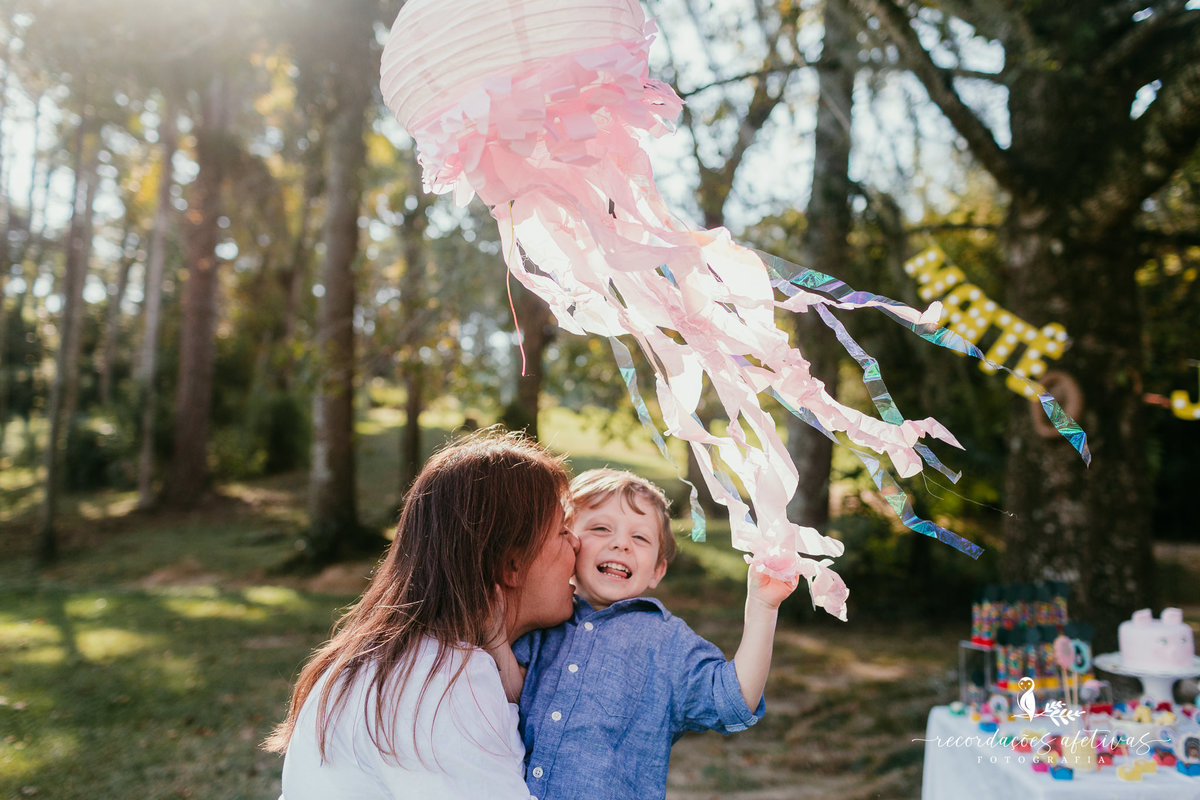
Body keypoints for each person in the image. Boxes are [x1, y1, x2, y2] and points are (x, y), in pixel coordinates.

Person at [264, 430, 579, 799]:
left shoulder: (386, 660)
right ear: (512, 564)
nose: (577, 543)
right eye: (562, 532)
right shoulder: (442, 683)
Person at [505, 468, 799, 800]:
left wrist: (763, 607)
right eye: (601, 529)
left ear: (657, 571)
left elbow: (733, 701)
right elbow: (502, 688)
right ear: (568, 543)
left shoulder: (666, 642)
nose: (620, 544)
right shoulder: (542, 617)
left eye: (640, 538)